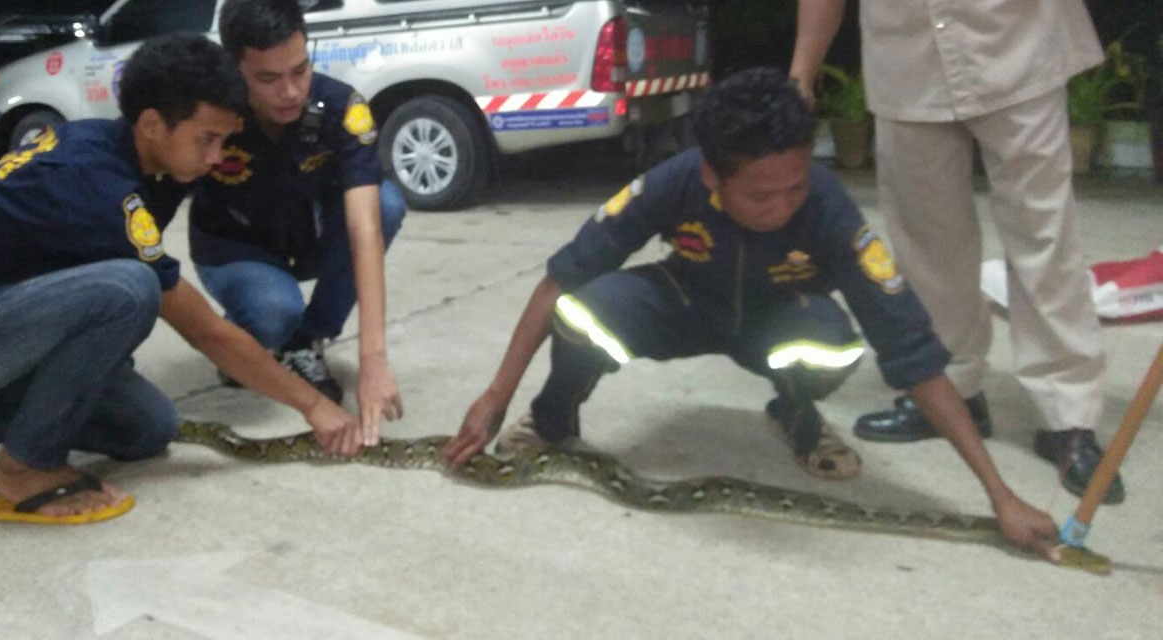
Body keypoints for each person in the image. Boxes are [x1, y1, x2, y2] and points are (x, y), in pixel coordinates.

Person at [442, 68, 1060, 559]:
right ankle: (553, 418)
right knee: (581, 307)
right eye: (762, 194)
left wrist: (999, 495)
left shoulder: (829, 207)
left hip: (775, 322)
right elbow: (558, 278)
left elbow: (914, 353)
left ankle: (795, 411)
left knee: (832, 338)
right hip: (684, 305)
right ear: (712, 175)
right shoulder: (671, 182)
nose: (785, 205)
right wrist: (496, 395)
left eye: (796, 186)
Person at [0, 34, 362, 525]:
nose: (218, 157)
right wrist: (313, 406)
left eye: (223, 140)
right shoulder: (99, 188)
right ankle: (23, 469)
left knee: (149, 429)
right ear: (153, 124)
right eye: (207, 139)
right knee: (130, 289)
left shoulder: (109, 148)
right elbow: (204, 330)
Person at [788, 0, 1163, 503]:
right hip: (906, 74)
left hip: (1020, 59)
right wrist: (800, 78)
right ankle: (953, 391)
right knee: (926, 247)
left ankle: (1068, 419)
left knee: (1044, 241)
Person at [190, 0, 406, 447]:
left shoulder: (341, 109)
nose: (291, 92)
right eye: (268, 79)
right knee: (273, 312)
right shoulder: (209, 114)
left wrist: (373, 358)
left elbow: (366, 226)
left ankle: (307, 341)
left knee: (387, 204)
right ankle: (247, 341)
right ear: (235, 68)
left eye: (300, 70)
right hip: (234, 248)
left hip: (307, 239)